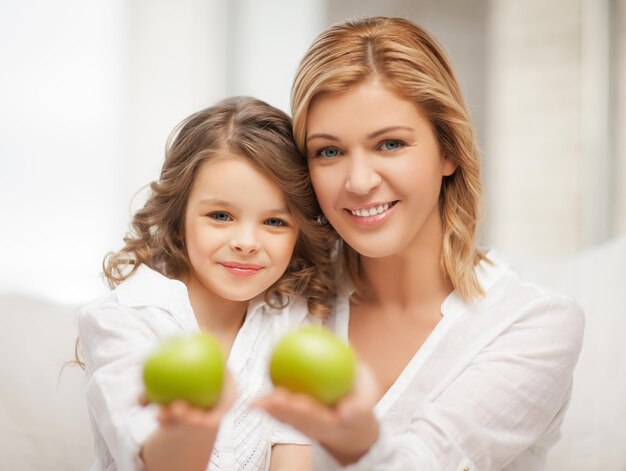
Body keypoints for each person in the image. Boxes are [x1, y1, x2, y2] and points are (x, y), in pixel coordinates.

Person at [254, 16, 585, 470]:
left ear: (448, 150)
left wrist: (357, 442)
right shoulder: (283, 296)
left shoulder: (533, 327)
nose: (359, 181)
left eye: (389, 144)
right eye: (328, 151)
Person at [77, 96, 334, 471]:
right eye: (220, 215)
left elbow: (293, 455)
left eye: (275, 222)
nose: (247, 241)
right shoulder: (123, 318)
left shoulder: (295, 318)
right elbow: (158, 462)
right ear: (179, 214)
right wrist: (202, 415)